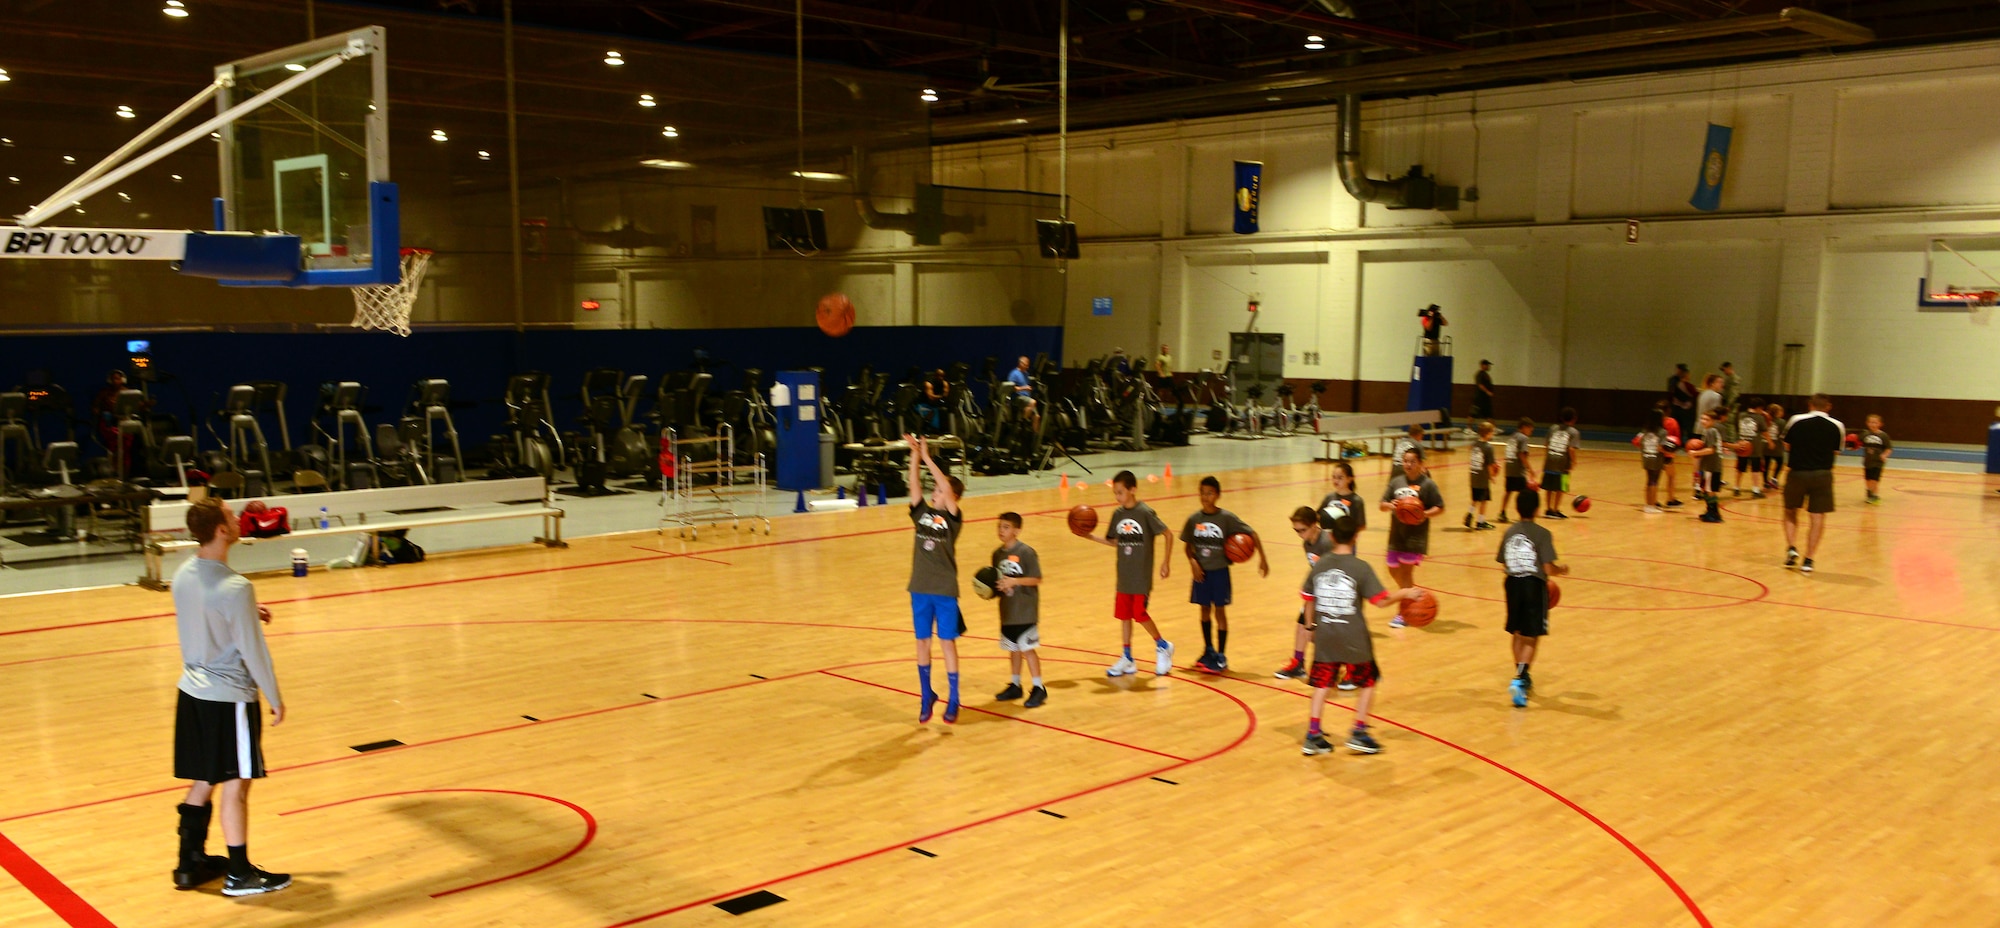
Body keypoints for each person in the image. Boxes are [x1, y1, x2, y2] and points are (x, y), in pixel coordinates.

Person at [170, 497, 290, 897]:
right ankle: (239, 874)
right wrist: (274, 696)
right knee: (237, 785)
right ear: (221, 531)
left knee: (206, 775)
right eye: (230, 517)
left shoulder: (185, 573)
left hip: (192, 693)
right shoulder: (236, 588)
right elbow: (254, 653)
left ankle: (190, 862)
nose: (238, 520)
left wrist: (246, 609)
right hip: (229, 698)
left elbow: (205, 607)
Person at [1298, 511, 1424, 756]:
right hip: (1353, 636)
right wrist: (1406, 593)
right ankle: (1359, 733)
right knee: (1368, 682)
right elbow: (1382, 601)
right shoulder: (1360, 567)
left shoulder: (1321, 563)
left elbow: (1308, 599)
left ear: (1332, 536)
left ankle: (1313, 734)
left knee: (1322, 684)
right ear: (1355, 538)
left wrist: (1310, 627)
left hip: (1326, 634)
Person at [904, 434, 965, 723]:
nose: (935, 493)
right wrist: (915, 455)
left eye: (940, 492)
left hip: (944, 589)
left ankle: (954, 697)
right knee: (922, 643)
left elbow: (946, 489)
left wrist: (929, 456)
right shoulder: (922, 514)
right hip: (919, 588)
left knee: (947, 643)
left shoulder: (953, 518)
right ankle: (926, 694)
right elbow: (914, 484)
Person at [1091, 470, 1174, 677]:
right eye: (1115, 493)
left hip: (1141, 575)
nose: (1117, 497)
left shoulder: (1145, 512)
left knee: (1139, 613)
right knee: (1124, 616)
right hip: (1124, 574)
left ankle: (1163, 645)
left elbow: (1168, 534)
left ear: (1133, 490)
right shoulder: (1118, 515)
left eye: (1120, 492)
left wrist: (1166, 562)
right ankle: (1127, 657)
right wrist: (1090, 537)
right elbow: (1115, 542)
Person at [1182, 476, 1268, 674]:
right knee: (1204, 611)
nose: (1205, 497)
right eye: (1202, 492)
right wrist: (1193, 562)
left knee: (1219, 612)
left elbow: (1252, 534)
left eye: (1210, 493)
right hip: (1201, 574)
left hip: (1220, 572)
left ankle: (1221, 655)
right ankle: (1208, 650)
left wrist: (1263, 559)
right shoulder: (1194, 519)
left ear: (1218, 495)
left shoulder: (1226, 518)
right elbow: (1188, 547)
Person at [1497, 492, 1567, 708]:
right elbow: (1547, 568)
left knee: (1517, 632)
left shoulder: (1509, 532)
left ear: (1517, 509)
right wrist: (1561, 570)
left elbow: (1503, 562)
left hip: (1511, 582)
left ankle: (1521, 674)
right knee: (1532, 635)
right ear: (1537, 509)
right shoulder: (1542, 533)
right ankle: (1519, 678)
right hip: (1533, 585)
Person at [1379, 447, 1445, 628]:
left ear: (1420, 464)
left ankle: (1403, 613)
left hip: (1415, 537)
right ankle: (1414, 595)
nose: (1408, 464)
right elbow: (1382, 504)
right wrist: (1390, 505)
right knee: (1393, 570)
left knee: (1406, 573)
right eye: (1405, 461)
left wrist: (1425, 514)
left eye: (1412, 461)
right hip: (1396, 535)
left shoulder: (1428, 484)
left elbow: (1440, 506)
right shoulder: (1396, 481)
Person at [1781, 394, 1844, 574]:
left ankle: (1792, 547)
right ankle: (1808, 559)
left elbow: (1787, 445)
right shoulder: (1837, 425)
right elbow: (1836, 451)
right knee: (1817, 518)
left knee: (1790, 510)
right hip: (1822, 474)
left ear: (1810, 405)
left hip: (1797, 472)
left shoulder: (1796, 420)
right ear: (1828, 406)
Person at [991, 512, 1047, 708]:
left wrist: (1016, 581)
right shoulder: (997, 554)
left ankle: (1039, 687)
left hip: (1025, 610)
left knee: (1027, 649)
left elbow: (1037, 578)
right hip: (1007, 611)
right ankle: (1015, 684)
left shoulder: (1026, 553)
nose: (1001, 530)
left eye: (1006, 527)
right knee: (1013, 649)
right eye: (999, 526)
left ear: (1017, 530)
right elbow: (996, 580)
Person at [1276, 504, 1335, 682]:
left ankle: (1340, 667)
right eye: (1296, 531)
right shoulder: (1307, 543)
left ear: (1314, 525)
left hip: (1333, 592)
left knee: (1323, 633)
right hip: (1319, 589)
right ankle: (1298, 663)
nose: (1299, 534)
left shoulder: (1326, 543)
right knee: (1302, 624)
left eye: (1302, 530)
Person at [1541, 408, 1581, 519]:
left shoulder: (1553, 428)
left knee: (1549, 486)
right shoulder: (1573, 432)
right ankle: (1555, 509)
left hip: (1550, 460)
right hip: (1563, 463)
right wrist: (1574, 461)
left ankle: (1548, 509)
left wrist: (1549, 456)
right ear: (1574, 419)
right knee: (1561, 487)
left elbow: (1546, 444)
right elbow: (1571, 449)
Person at [1689, 408, 1726, 523]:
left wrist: (1696, 452)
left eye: (1707, 419)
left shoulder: (1711, 431)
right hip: (1711, 465)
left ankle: (1714, 514)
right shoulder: (1710, 431)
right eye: (1702, 418)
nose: (1703, 421)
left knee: (1710, 491)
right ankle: (1710, 511)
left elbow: (1711, 450)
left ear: (1713, 421)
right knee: (1706, 490)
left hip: (1712, 466)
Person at [1498, 417, 1536, 523]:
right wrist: (1530, 469)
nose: (1530, 432)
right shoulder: (1523, 438)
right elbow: (1521, 455)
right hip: (1518, 470)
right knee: (1524, 493)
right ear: (1524, 427)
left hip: (1509, 468)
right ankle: (1524, 515)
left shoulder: (1512, 437)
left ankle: (1502, 512)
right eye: (1530, 430)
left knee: (1508, 491)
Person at [1464, 419, 1498, 530]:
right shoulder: (1488, 447)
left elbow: (1470, 449)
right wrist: (1492, 476)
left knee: (1475, 499)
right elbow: (1489, 465)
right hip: (1483, 478)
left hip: (1473, 475)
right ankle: (1480, 521)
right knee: (1484, 500)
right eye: (1492, 432)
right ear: (1488, 433)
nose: (1492, 434)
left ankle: (1470, 513)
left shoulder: (1475, 444)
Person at [1734, 400, 1769, 499]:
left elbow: (1737, 428)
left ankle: (1736, 488)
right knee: (1755, 469)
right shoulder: (1759, 417)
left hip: (1742, 446)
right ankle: (1755, 490)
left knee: (1740, 468)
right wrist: (1770, 442)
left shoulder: (1741, 415)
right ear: (1758, 408)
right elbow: (1765, 431)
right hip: (1755, 448)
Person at [1636, 408, 1668, 513]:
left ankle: (1648, 504)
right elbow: (1660, 447)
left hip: (1646, 456)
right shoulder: (1662, 432)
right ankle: (1652, 505)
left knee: (1649, 480)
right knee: (1655, 481)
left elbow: (1640, 444)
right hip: (1656, 458)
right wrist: (1668, 451)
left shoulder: (1645, 430)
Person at [1861, 414, 1892, 504]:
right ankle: (1869, 492)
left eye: (1875, 422)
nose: (1872, 424)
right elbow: (1858, 443)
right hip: (1867, 461)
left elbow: (1888, 448)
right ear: (1867, 423)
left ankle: (1874, 495)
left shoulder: (1883, 436)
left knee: (1874, 480)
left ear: (1880, 424)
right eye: (1870, 422)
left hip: (1878, 462)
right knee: (1868, 479)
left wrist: (1884, 455)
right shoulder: (1865, 434)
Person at [1006, 356, 1040, 433]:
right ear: (1020, 363)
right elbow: (1012, 388)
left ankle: (1035, 436)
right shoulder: (1014, 373)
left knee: (1037, 416)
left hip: (1026, 398)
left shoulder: (1026, 374)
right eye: (1025, 365)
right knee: (1032, 402)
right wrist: (1024, 388)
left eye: (1028, 365)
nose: (1027, 367)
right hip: (1018, 397)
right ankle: (1023, 420)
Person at [1667, 364, 1697, 439]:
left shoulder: (1674, 382)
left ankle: (1678, 440)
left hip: (1676, 406)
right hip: (1685, 408)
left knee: (1678, 426)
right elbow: (1694, 394)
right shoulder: (1687, 385)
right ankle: (1689, 441)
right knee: (1688, 426)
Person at [917, 368, 950, 435]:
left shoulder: (945, 383)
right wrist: (940, 397)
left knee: (944, 409)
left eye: (942, 376)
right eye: (939, 376)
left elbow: (945, 395)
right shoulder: (928, 384)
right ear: (935, 376)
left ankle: (944, 431)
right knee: (933, 410)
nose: (940, 378)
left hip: (936, 403)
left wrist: (939, 397)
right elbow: (931, 397)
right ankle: (924, 429)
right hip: (923, 403)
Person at [1718, 362, 1741, 436]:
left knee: (1729, 423)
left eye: (1724, 370)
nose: (1724, 372)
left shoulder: (1734, 379)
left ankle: (1732, 442)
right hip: (1727, 404)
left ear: (1729, 368)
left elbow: (1733, 394)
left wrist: (1728, 405)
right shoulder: (1728, 378)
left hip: (1731, 406)